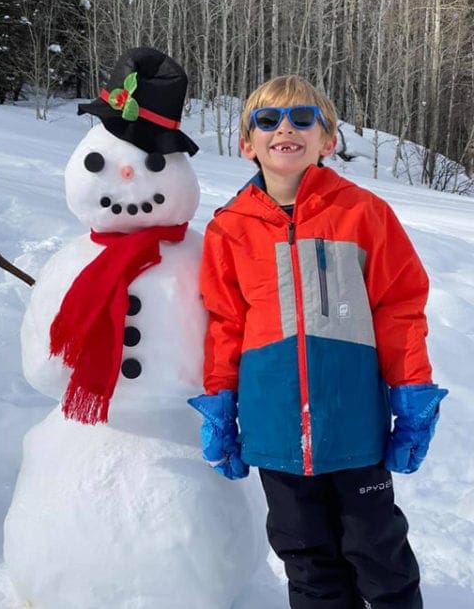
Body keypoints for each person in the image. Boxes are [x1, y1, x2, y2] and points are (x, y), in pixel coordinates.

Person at [189, 74, 448, 608]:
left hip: (353, 422)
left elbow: (399, 308)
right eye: (268, 119)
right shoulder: (229, 230)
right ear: (246, 142)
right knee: (305, 557)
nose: (285, 128)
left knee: (377, 549)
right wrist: (221, 404)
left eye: (303, 118)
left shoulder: (363, 213)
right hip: (274, 429)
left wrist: (412, 394)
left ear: (327, 140)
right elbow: (224, 323)